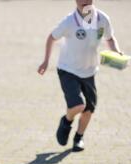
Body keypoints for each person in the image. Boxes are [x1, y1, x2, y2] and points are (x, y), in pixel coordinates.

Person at [37, 0, 123, 151]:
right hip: (68, 69)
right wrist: (45, 61)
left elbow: (109, 38)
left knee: (89, 110)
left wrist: (116, 51)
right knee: (78, 105)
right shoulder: (69, 21)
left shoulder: (102, 19)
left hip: (89, 71)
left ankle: (79, 138)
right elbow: (51, 37)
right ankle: (66, 121)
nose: (84, 1)